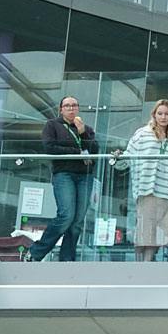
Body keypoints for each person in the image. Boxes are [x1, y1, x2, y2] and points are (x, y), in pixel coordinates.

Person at [32, 96, 99, 262]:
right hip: (64, 174)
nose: (71, 108)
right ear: (61, 109)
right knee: (66, 215)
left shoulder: (86, 129)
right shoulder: (52, 125)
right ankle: (36, 252)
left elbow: (94, 150)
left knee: (77, 220)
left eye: (74, 105)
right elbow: (50, 147)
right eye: (67, 106)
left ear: (78, 109)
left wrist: (83, 133)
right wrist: (78, 153)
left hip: (84, 176)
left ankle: (67, 258)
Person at [125, 100, 168, 263]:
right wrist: (117, 159)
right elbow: (129, 155)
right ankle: (141, 264)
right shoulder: (143, 133)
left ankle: (149, 262)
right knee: (145, 229)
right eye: (160, 113)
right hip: (148, 187)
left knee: (158, 231)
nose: (163, 117)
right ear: (154, 115)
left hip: (166, 190)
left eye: (167, 114)